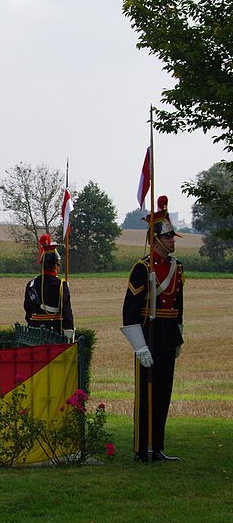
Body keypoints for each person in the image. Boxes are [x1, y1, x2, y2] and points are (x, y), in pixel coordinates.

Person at [121, 195, 184, 463]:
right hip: (148, 333)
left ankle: (157, 447)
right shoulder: (142, 268)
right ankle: (141, 448)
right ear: (155, 239)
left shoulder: (177, 268)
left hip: (168, 335)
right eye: (168, 237)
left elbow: (179, 305)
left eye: (172, 237)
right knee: (146, 395)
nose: (172, 241)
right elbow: (129, 311)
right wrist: (139, 346)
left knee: (163, 394)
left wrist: (179, 336)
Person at [24, 234, 75, 341]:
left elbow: (27, 310)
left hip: (35, 333)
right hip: (55, 332)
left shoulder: (31, 284)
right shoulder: (61, 285)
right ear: (56, 266)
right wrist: (69, 331)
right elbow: (66, 312)